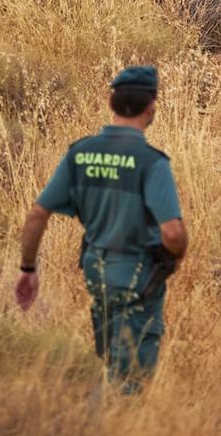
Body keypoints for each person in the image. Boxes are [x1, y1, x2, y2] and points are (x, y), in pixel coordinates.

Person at [14, 65, 188, 393]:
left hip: (96, 272)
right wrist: (177, 256)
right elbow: (173, 233)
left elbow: (38, 213)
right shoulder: (152, 163)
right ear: (152, 107)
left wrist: (28, 268)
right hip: (139, 276)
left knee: (111, 357)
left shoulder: (80, 153)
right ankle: (96, 432)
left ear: (110, 101)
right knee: (129, 380)